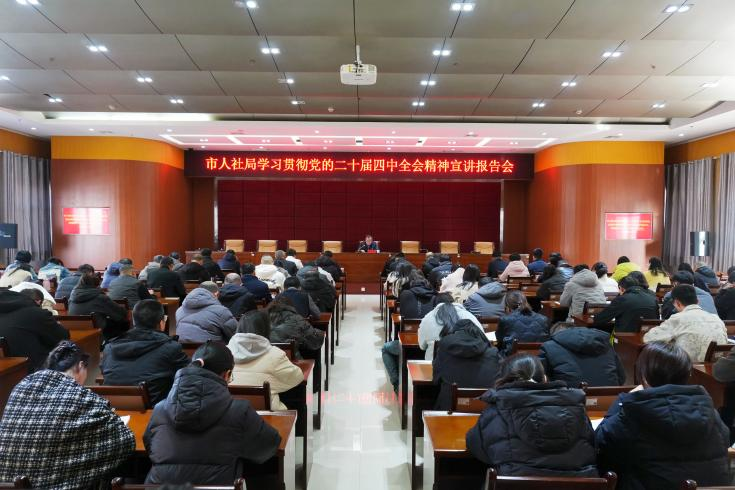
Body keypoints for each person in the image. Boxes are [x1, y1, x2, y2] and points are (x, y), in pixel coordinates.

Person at [0, 341, 135, 489]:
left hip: (7, 482)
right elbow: (125, 441)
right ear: (81, 366)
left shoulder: (21, 387)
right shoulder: (80, 396)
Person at [595, 342, 729, 489]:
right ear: (687, 374)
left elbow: (600, 443)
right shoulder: (711, 413)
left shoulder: (632, 415)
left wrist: (622, 401)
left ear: (644, 376)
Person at [144, 341, 281, 484]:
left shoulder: (159, 409)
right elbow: (269, 445)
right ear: (227, 374)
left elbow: (150, 446)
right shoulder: (239, 411)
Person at [466, 354, 598, 478]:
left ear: (503, 380)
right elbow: (592, 445)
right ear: (544, 378)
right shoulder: (577, 406)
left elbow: (477, 447)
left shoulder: (496, 409)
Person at [101, 299, 189, 404]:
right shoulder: (171, 348)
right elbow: (188, 374)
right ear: (161, 323)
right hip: (154, 408)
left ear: (134, 321)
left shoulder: (109, 348)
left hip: (114, 406)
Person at [228, 310, 303, 410]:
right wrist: (274, 384)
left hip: (231, 412)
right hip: (268, 415)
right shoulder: (275, 354)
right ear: (267, 329)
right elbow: (297, 377)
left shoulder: (224, 352)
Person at [644, 284, 727, 362]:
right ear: (698, 301)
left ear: (677, 303)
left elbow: (649, 338)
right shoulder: (716, 318)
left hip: (687, 367)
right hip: (714, 367)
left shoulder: (678, 318)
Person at [432, 319, 500, 410]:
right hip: (487, 408)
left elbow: (436, 380)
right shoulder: (494, 352)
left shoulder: (444, 348)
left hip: (450, 408)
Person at [0, 288, 69, 370]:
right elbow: (63, 338)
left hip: (6, 371)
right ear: (38, 301)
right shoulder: (36, 313)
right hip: (35, 370)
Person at [539, 327, 625, 387]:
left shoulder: (548, 346)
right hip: (608, 399)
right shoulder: (606, 345)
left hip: (568, 400)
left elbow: (540, 379)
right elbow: (622, 378)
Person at [418, 293, 484, 360]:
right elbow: (483, 340)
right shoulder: (468, 315)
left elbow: (422, 346)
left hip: (435, 364)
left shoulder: (427, 318)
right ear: (453, 302)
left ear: (435, 305)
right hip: (466, 363)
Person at [69, 272, 129, 340]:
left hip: (76, 332)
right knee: (122, 322)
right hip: (98, 333)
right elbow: (120, 314)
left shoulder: (72, 297)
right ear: (97, 285)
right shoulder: (100, 298)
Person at [592, 276, 659, 332]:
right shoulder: (652, 298)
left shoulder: (622, 299)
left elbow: (599, 319)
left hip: (624, 339)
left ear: (621, 288)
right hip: (650, 338)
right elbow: (656, 319)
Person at [496, 291, 549, 355]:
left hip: (513, 357)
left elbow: (499, 339)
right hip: (538, 357)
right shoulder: (543, 319)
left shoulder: (505, 319)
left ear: (507, 305)